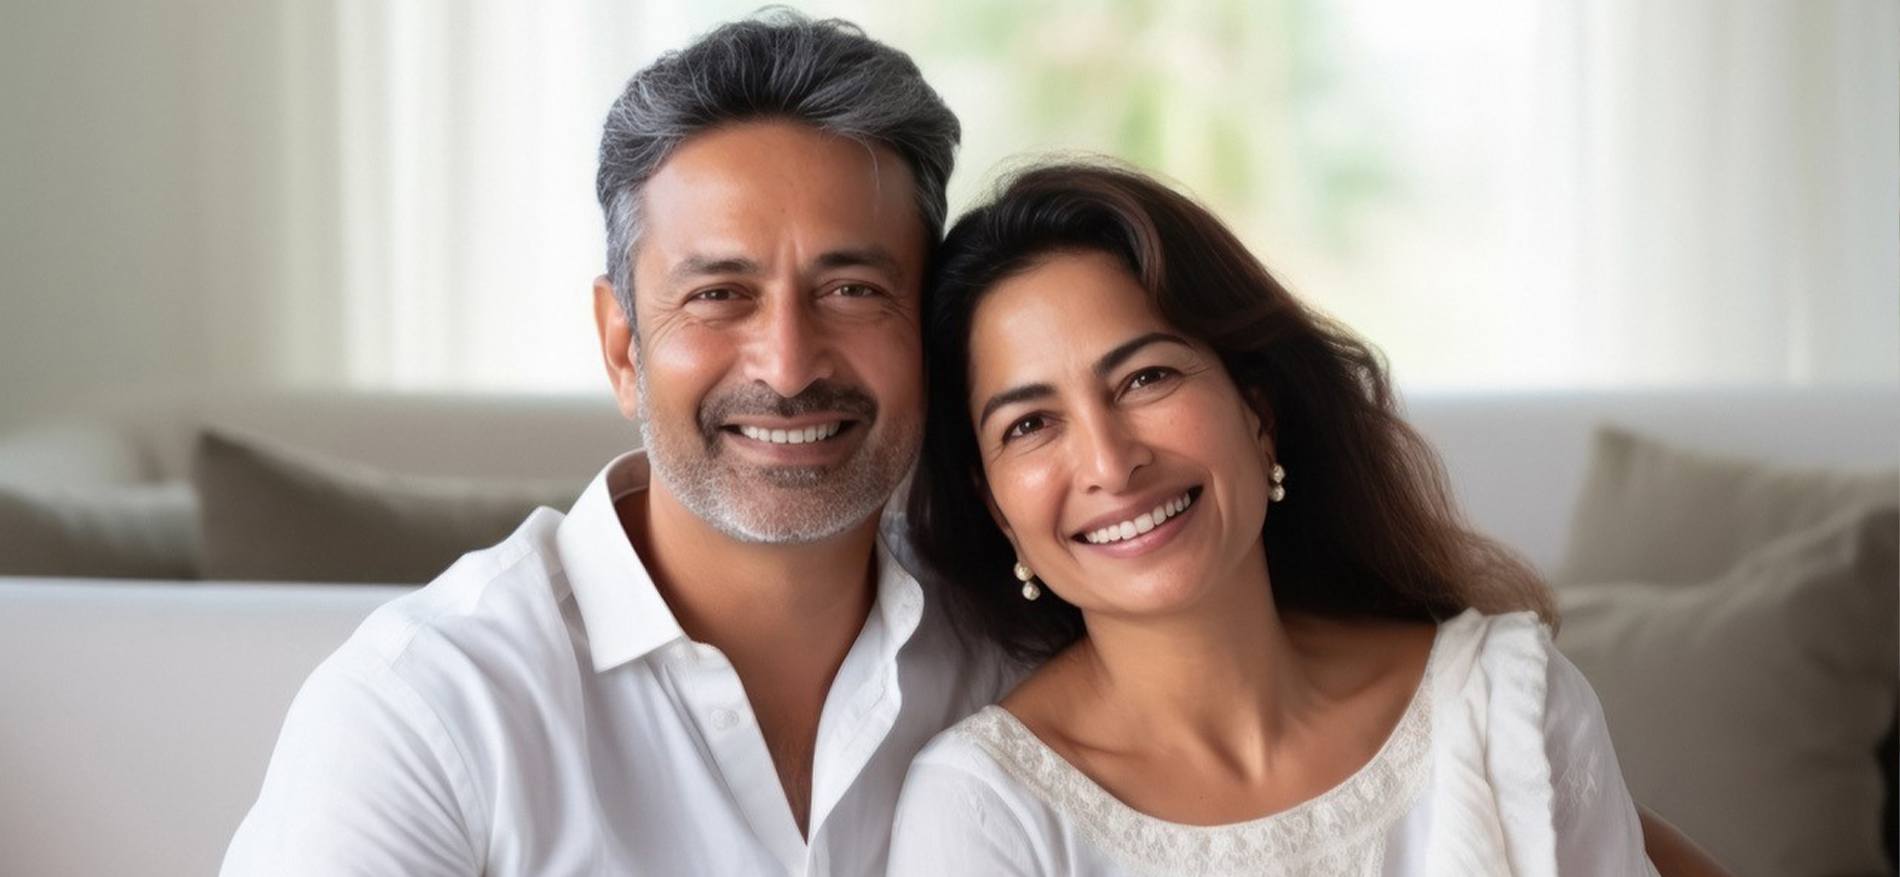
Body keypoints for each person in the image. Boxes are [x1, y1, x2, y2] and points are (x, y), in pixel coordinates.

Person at [222, 10, 1727, 877]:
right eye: (718, 297)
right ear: (621, 341)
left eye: (853, 289)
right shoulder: (437, 711)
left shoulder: (1033, 615)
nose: (790, 360)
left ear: (924, 344)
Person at [887, 162, 1661, 875]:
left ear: (1257, 415)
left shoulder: (1505, 706)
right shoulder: (982, 811)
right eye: (1029, 425)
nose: (1108, 462)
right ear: (996, 507)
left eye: (1145, 377)